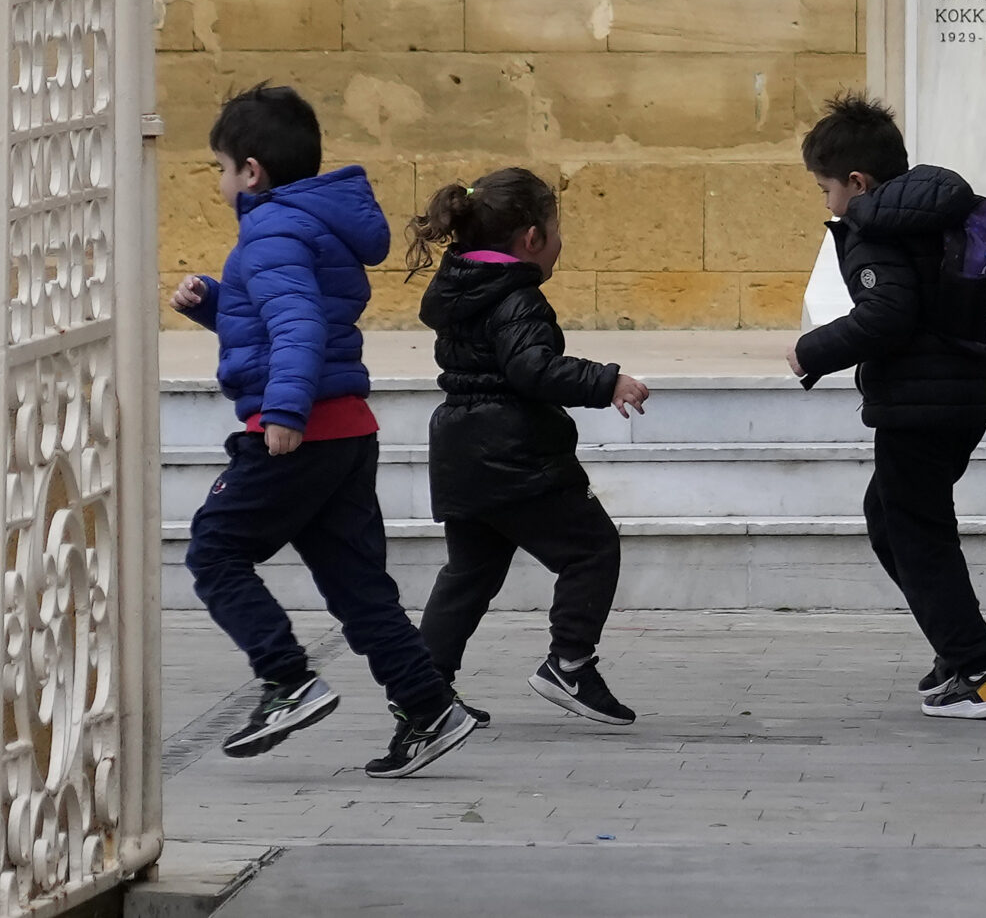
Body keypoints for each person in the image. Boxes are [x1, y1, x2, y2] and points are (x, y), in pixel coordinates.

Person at [174, 83, 477, 778]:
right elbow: (286, 318)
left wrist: (284, 414)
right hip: (344, 427)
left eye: (221, 168)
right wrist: (215, 303)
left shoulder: (271, 231)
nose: (220, 181)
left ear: (252, 171)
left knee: (215, 551)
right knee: (355, 583)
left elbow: (299, 325)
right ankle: (429, 706)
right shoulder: (311, 224)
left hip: (301, 429)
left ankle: (287, 680)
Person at [788, 94, 986, 719]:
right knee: (890, 516)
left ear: (857, 182)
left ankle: (976, 671)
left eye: (827, 190)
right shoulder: (938, 209)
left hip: (918, 405)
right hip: (964, 393)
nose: (829, 204)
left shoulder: (875, 225)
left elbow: (886, 314)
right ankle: (962, 638)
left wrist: (810, 351)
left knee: (915, 528)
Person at [407, 168, 649, 726]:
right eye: (556, 230)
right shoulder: (517, 297)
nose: (561, 243)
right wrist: (606, 381)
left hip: (460, 450)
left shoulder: (459, 289)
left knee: (468, 574)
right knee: (591, 549)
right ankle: (570, 663)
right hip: (513, 453)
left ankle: (424, 691)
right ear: (532, 238)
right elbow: (532, 368)